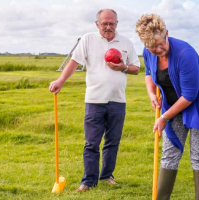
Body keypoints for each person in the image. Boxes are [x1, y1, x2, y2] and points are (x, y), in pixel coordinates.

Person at [48, 9, 141, 192]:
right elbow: (74, 62)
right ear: (97, 24)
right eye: (104, 23)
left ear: (117, 23)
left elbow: (136, 68)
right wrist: (60, 81)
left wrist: (123, 67)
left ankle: (107, 176)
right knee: (91, 143)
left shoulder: (126, 42)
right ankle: (88, 182)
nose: (108, 27)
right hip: (94, 100)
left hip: (118, 101)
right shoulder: (88, 39)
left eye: (111, 23)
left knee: (112, 141)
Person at [135, 14, 199, 200]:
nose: (159, 50)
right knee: (170, 152)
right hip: (172, 104)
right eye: (153, 48)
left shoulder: (185, 53)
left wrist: (164, 117)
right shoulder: (147, 52)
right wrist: (152, 94)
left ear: (167, 33)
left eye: (161, 44)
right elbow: (149, 73)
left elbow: (190, 95)